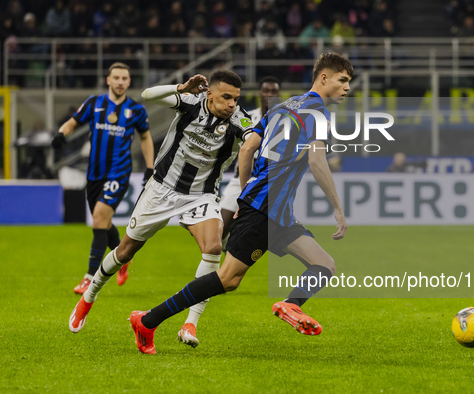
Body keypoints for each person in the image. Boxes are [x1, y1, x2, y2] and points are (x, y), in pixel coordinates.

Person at [129, 52, 353, 354]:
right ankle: (148, 320)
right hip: (265, 211)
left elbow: (248, 147)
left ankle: (290, 305)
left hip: (274, 211)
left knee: (324, 264)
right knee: (227, 278)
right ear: (324, 78)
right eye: (343, 80)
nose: (347, 87)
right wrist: (338, 208)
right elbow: (316, 160)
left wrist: (247, 188)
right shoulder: (318, 113)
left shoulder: (283, 106)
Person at [69, 71, 255, 349]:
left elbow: (251, 140)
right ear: (210, 94)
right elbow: (147, 96)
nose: (231, 104)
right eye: (226, 97)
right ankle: (89, 296)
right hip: (161, 189)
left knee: (214, 247)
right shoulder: (191, 101)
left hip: (200, 195)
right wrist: (180, 87)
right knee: (125, 251)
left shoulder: (240, 119)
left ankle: (190, 322)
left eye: (236, 99)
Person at [52, 62, 154, 294]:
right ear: (108, 80)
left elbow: (146, 138)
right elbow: (73, 122)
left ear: (129, 82)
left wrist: (149, 167)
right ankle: (123, 256)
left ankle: (89, 277)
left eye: (124, 78)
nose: (120, 82)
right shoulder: (93, 103)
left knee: (98, 218)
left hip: (118, 171)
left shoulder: (136, 110)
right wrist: (61, 134)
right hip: (94, 174)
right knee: (104, 223)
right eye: (116, 77)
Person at [219, 76, 281, 244]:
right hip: (240, 179)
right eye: (266, 90)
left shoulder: (283, 123)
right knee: (219, 229)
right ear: (259, 93)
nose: (269, 94)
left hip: (264, 183)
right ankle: (225, 247)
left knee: (256, 235)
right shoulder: (246, 118)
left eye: (274, 91)